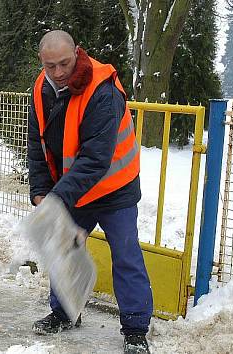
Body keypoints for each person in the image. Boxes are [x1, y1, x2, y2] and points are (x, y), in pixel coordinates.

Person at [27, 30, 153, 354]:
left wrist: (57, 198)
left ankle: (136, 329)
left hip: (115, 187)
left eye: (64, 64)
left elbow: (97, 158)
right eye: (49, 65)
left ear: (76, 53)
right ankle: (65, 312)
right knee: (62, 248)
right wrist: (41, 189)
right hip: (76, 189)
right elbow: (37, 146)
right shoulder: (41, 90)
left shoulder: (102, 88)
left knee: (125, 253)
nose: (57, 73)